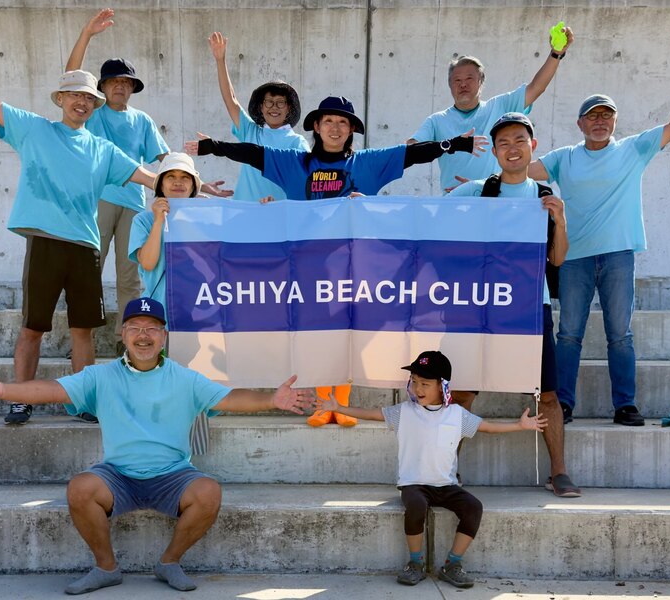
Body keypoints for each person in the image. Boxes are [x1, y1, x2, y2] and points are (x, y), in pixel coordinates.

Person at [0, 296, 316, 595]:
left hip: (173, 475)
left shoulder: (185, 378)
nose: (143, 335)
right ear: (123, 335)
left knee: (208, 492)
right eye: (135, 327)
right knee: (80, 488)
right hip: (118, 475)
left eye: (152, 328)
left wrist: (272, 399)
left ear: (164, 337)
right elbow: (52, 390)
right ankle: (106, 568)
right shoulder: (100, 376)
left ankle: (169, 562)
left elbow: (230, 398)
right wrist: (4, 390)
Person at [185, 96, 487, 426]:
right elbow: (253, 154)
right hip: (307, 269)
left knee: (349, 335)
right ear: (316, 126)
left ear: (351, 130)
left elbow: (413, 154)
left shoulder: (368, 163)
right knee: (315, 336)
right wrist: (213, 147)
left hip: (355, 269)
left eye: (343, 122)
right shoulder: (294, 163)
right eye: (328, 120)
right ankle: (321, 405)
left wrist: (455, 144)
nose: (335, 127)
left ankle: (340, 404)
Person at [0, 16, 156, 426]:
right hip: (46, 243)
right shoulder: (34, 129)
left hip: (85, 247)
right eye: (74, 95)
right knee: (33, 328)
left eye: (88, 98)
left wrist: (193, 186)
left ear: (95, 105)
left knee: (83, 330)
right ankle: (20, 399)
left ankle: (84, 401)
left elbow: (149, 177)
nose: (81, 102)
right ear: (61, 99)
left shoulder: (102, 149)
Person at [530, 50, 670, 427]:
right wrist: (483, 181)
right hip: (574, 258)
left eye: (606, 115)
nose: (600, 121)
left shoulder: (633, 149)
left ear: (615, 121)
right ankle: (563, 405)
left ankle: (625, 405)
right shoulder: (564, 157)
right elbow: (520, 170)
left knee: (620, 335)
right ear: (579, 123)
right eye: (592, 116)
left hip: (618, 256)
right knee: (569, 335)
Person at [316, 350, 545, 588]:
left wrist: (519, 425)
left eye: (425, 383)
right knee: (416, 505)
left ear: (442, 386)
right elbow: (371, 414)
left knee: (473, 507)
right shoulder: (404, 411)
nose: (418, 388)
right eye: (414, 381)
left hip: (446, 485)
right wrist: (339, 408)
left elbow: (487, 427)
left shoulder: (456, 414)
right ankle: (415, 563)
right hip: (414, 484)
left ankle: (452, 564)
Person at [448, 112, 579, 497]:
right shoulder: (477, 191)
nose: (512, 148)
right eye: (503, 143)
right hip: (480, 307)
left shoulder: (544, 197)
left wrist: (561, 220)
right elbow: (428, 217)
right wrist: (366, 207)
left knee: (548, 394)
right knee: (464, 392)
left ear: (532, 146)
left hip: (530, 308)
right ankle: (446, 468)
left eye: (519, 140)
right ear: (495, 152)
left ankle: (558, 472)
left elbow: (557, 259)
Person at [64, 8, 171, 345]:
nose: (120, 87)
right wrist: (86, 34)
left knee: (130, 277)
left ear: (132, 87)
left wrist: (197, 182)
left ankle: (127, 342)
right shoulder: (93, 114)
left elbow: (166, 160)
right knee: (89, 271)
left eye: (126, 82)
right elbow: (71, 77)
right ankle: (81, 339)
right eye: (114, 82)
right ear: (103, 87)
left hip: (134, 205)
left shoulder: (142, 120)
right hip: (98, 199)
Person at [408, 25, 573, 192]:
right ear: (450, 85)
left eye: (469, 78)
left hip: (494, 200)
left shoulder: (500, 106)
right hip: (453, 202)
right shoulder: (437, 120)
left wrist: (556, 54)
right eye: (457, 80)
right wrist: (450, 144)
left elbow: (537, 87)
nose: (463, 84)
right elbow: (410, 150)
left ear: (481, 82)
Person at [128, 152, 213, 454]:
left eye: (184, 178)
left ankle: (188, 455)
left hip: (197, 314)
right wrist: (158, 221)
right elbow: (148, 262)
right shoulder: (142, 219)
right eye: (171, 177)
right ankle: (154, 451)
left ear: (193, 186)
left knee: (191, 386)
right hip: (159, 315)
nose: (178, 183)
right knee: (155, 386)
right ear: (160, 184)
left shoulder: (206, 217)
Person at [206, 31, 310, 201]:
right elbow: (230, 100)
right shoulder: (250, 131)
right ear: (261, 107)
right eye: (269, 102)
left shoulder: (297, 143)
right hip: (243, 211)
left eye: (280, 102)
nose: (274, 107)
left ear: (289, 108)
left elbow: (305, 179)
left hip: (278, 212)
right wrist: (220, 60)